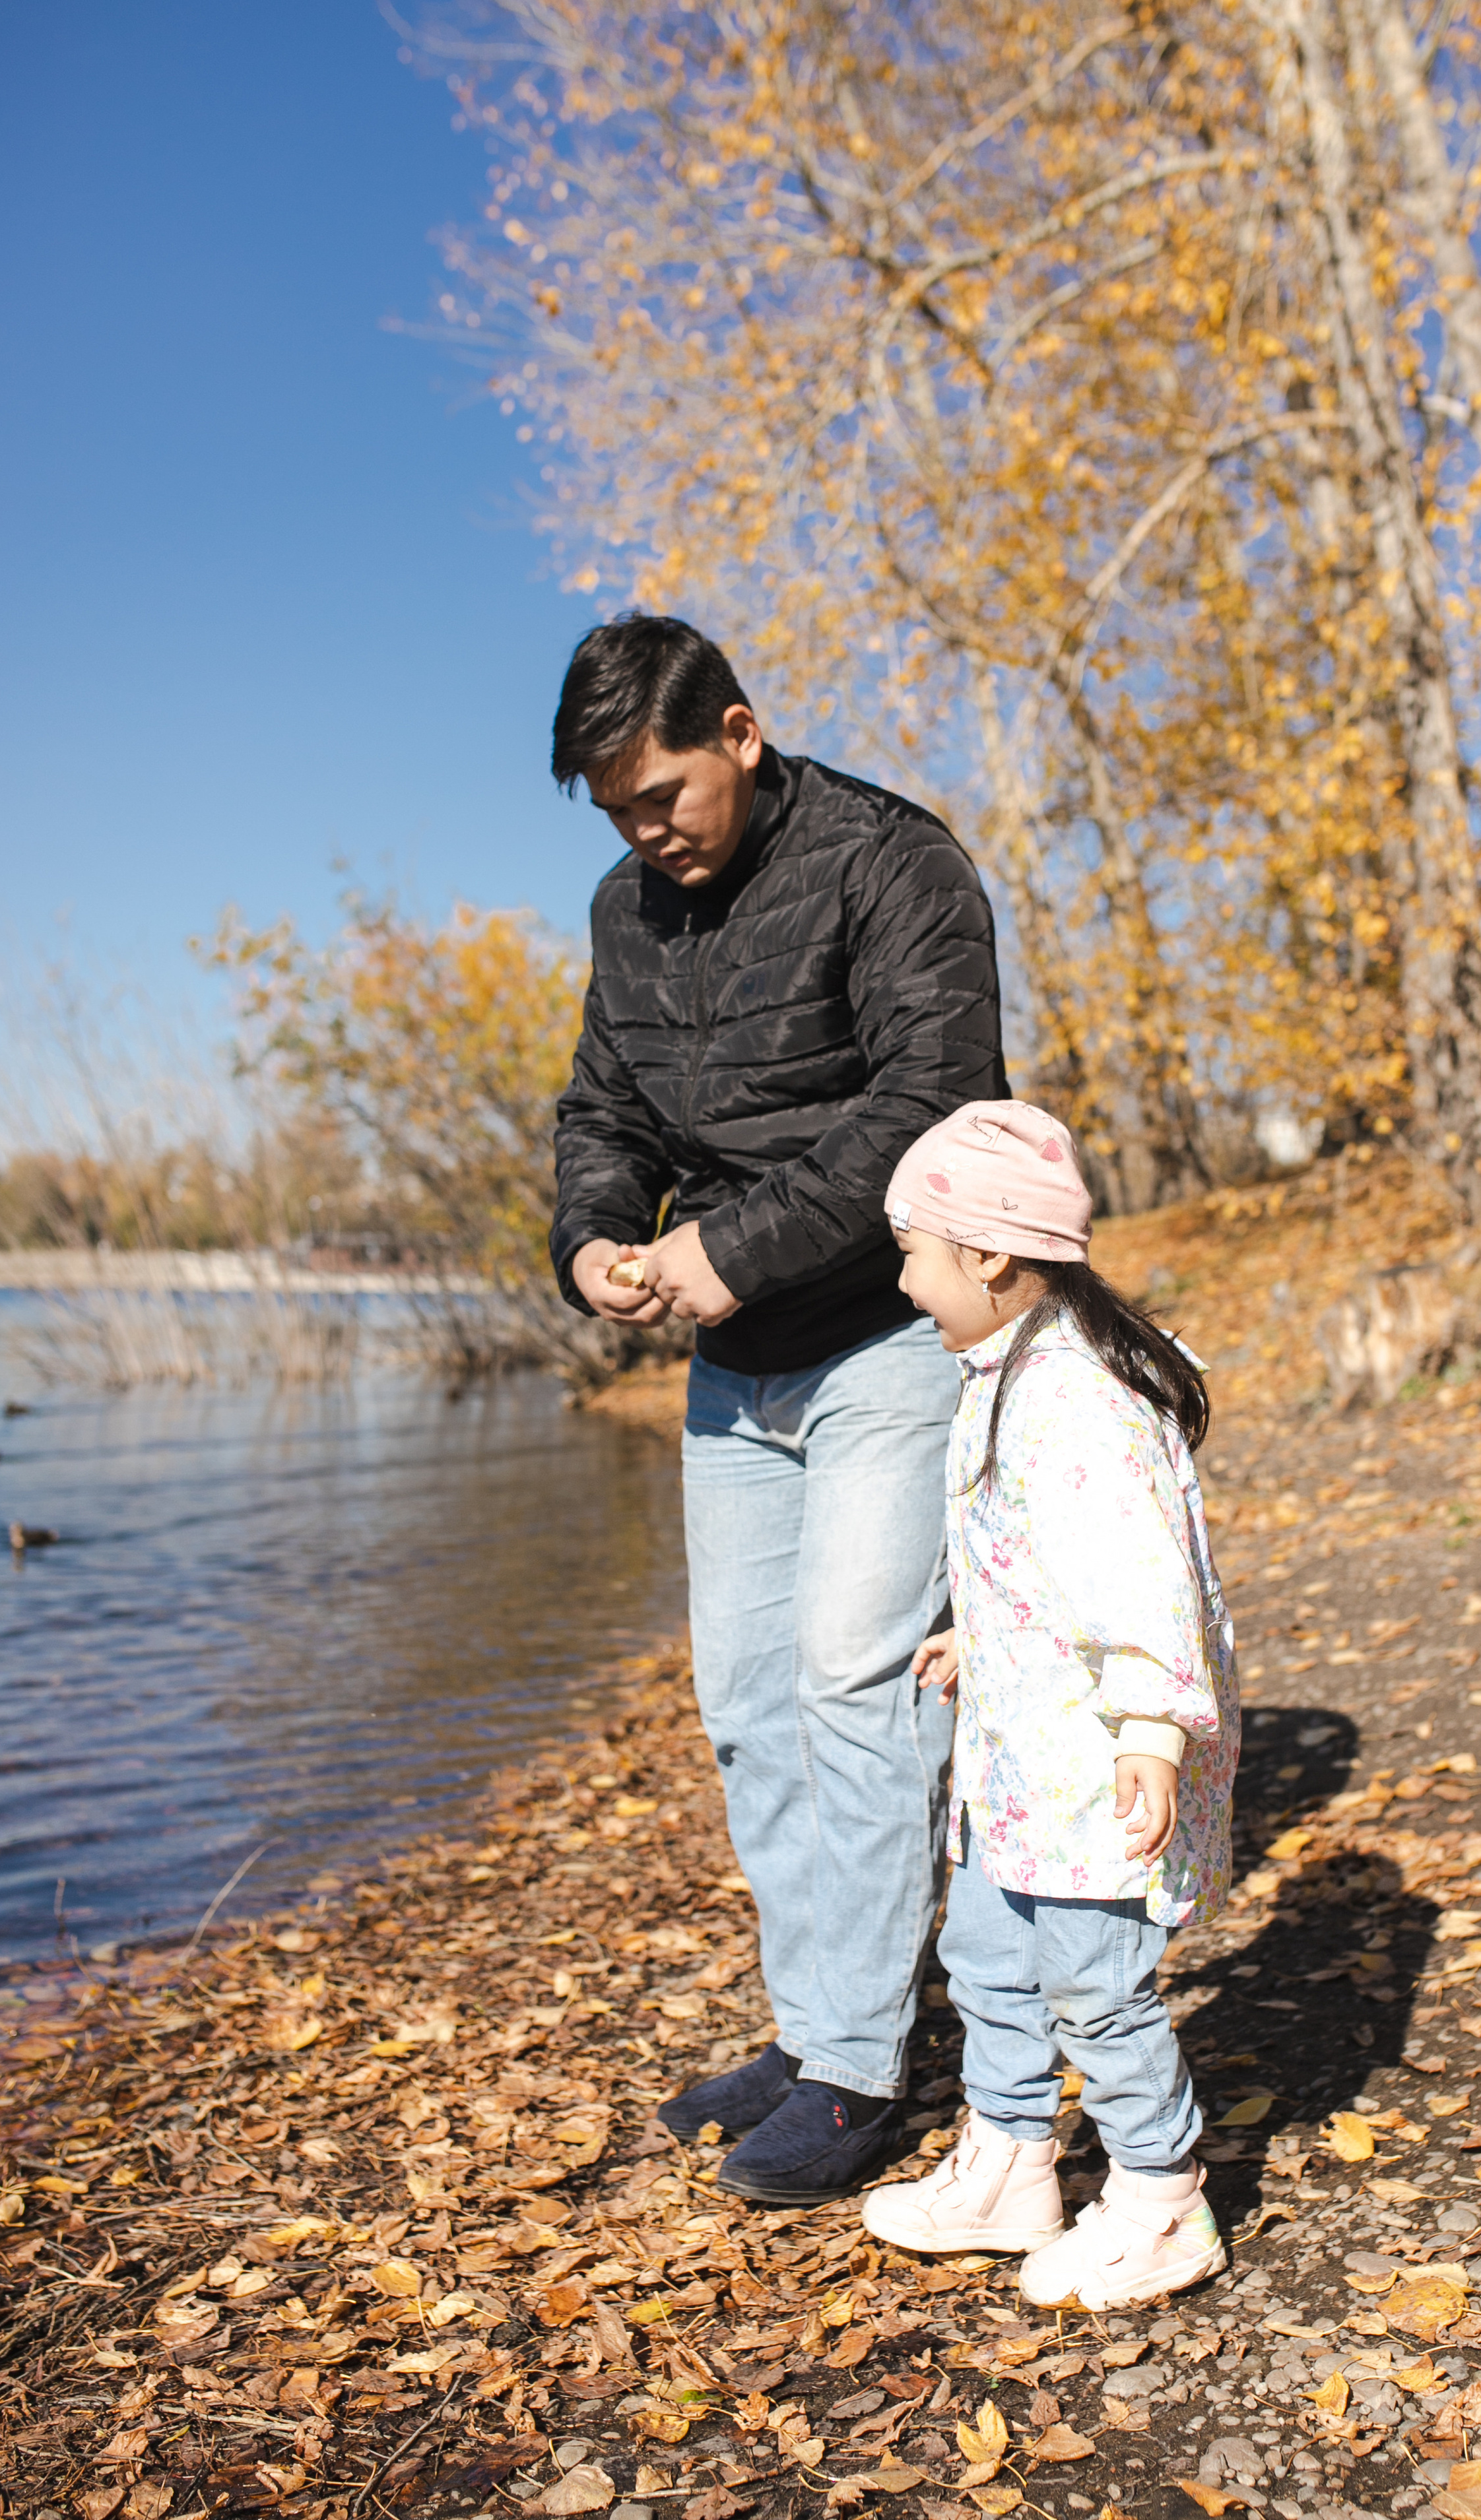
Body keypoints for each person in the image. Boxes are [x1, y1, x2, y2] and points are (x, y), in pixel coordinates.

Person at [546, 614, 1007, 2206]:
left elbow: (932, 1100)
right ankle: (821, 2026)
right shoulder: (627, 907)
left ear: (739, 733)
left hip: (884, 1331)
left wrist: (726, 1247)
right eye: (613, 809)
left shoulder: (895, 865)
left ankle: (865, 2070)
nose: (643, 831)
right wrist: (597, 1240)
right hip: (729, 1368)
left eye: (661, 791)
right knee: (748, 1708)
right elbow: (601, 1106)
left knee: (854, 1688)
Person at [859, 1098, 1239, 2308]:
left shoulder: (1075, 1394)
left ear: (989, 1254)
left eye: (914, 1250)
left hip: (1094, 1762)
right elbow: (1041, 1552)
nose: (906, 1280)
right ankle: (1014, 2166)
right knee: (984, 1951)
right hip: (1019, 1757)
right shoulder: (1003, 1368)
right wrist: (986, 1633)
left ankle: (1161, 2200)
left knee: (1093, 1979)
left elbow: (1138, 1578)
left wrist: (1151, 1732)